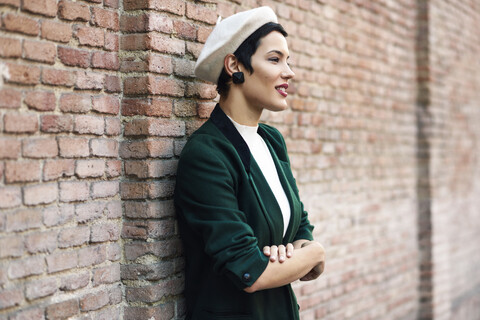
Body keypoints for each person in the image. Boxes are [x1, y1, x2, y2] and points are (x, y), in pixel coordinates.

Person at [174, 6, 325, 320]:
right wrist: (314, 254)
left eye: (288, 61)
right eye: (274, 59)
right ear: (234, 65)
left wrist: (299, 250)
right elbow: (250, 272)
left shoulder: (272, 141)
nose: (289, 72)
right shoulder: (206, 155)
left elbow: (300, 226)